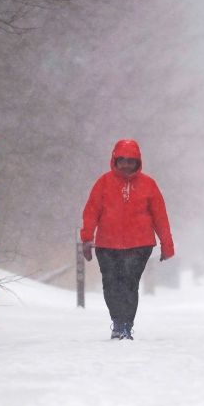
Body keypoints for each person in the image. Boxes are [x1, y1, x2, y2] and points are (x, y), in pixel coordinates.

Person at [80, 138, 174, 340]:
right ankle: (118, 321)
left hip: (139, 244)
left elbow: (160, 217)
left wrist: (167, 244)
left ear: (138, 162)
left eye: (131, 161)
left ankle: (126, 325)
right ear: (114, 160)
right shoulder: (103, 183)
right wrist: (86, 238)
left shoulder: (149, 185)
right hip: (107, 244)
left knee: (129, 283)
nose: (126, 164)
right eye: (122, 160)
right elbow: (91, 212)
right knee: (111, 284)